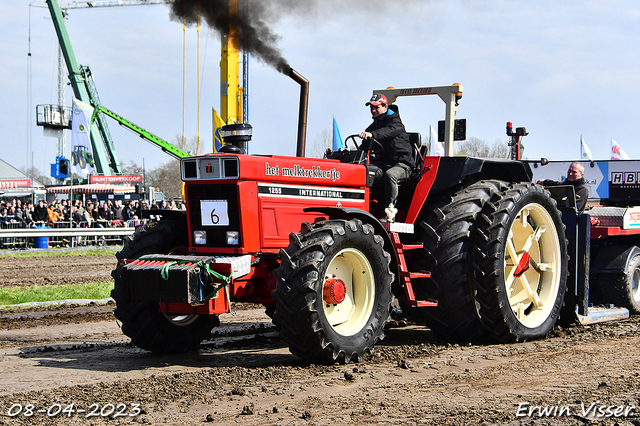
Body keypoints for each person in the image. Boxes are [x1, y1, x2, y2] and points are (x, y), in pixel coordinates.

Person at [358, 93, 414, 222]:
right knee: (365, 170)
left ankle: (390, 210)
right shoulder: (375, 125)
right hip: (384, 162)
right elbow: (365, 144)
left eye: (376, 107)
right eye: (371, 107)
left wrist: (371, 134)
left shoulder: (395, 123)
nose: (373, 110)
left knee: (390, 175)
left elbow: (385, 133)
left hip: (403, 164)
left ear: (384, 106)